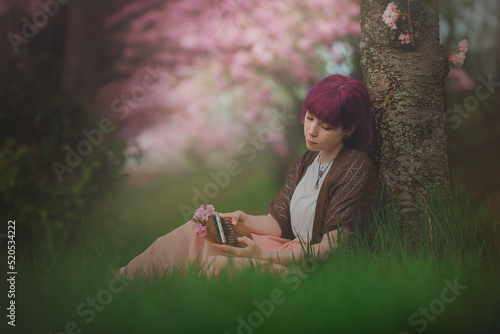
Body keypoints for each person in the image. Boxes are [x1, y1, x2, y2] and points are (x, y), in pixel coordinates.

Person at [117, 74, 381, 279]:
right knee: (198, 233)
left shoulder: (355, 166)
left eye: (325, 126)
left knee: (216, 265)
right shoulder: (308, 160)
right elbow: (278, 222)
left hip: (306, 265)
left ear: (349, 129)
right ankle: (124, 279)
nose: (311, 131)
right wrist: (245, 218)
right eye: (309, 118)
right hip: (283, 246)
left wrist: (263, 256)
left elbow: (330, 249)